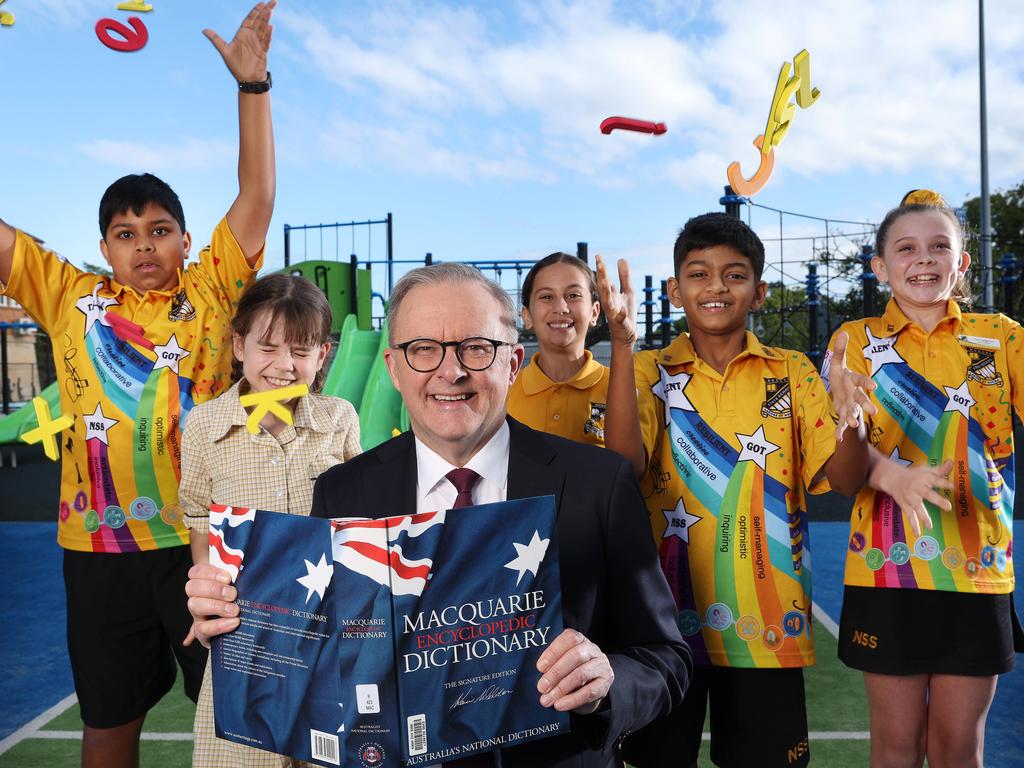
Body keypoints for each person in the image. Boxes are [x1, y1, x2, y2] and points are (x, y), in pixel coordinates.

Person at [186, 262, 692, 768]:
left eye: (476, 348)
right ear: (393, 367)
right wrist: (239, 625)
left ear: (513, 362)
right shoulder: (343, 491)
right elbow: (320, 656)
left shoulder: (596, 484)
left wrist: (606, 684)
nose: (451, 372)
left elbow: (666, 659)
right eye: (423, 349)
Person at [0, 4, 276, 765]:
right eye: (126, 233)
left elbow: (254, 199)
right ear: (104, 247)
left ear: (186, 240)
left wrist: (254, 89)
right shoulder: (67, 295)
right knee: (109, 719)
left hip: (207, 543)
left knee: (244, 721)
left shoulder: (214, 289)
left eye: (159, 229)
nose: (144, 244)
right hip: (98, 549)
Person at [598, 212, 877, 768]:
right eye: (699, 274)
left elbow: (845, 481)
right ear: (676, 291)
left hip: (765, 627)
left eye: (735, 274)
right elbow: (622, 466)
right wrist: (623, 347)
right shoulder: (650, 370)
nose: (717, 286)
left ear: (760, 290)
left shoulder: (793, 373)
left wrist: (853, 421)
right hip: (662, 627)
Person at [824, 198, 1024, 768]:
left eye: (940, 246)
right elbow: (843, 477)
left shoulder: (1002, 337)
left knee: (959, 748)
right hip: (886, 572)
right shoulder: (852, 341)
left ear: (963, 264)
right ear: (880, 267)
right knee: (895, 748)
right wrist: (843, 414)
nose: (924, 259)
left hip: (979, 571)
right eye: (906, 248)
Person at [179, 274, 361, 767]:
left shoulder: (340, 418)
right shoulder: (203, 426)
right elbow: (200, 523)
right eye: (267, 347)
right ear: (239, 344)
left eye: (302, 351)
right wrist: (208, 603)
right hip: (243, 636)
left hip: (327, 635)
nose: (284, 365)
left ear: (323, 355)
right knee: (242, 756)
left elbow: (357, 523)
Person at [507, 252, 609, 446]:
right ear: (527, 316)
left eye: (573, 295)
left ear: (594, 312)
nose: (561, 307)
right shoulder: (504, 394)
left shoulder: (621, 390)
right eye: (546, 297)